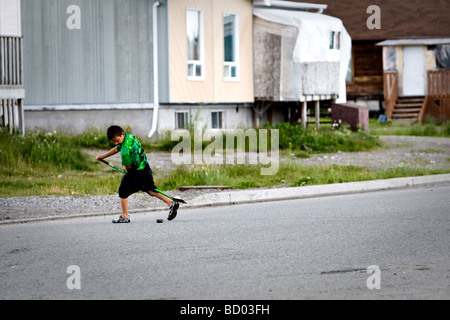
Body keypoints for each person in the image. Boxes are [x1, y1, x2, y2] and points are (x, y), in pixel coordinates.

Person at [96, 125, 179, 223]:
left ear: (122, 134)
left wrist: (130, 174)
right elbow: (117, 148)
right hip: (145, 167)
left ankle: (124, 216)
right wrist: (103, 156)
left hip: (137, 171)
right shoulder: (129, 137)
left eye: (117, 140)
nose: (116, 143)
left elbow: (128, 167)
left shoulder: (125, 151)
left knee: (123, 190)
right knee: (150, 189)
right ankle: (171, 203)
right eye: (114, 142)